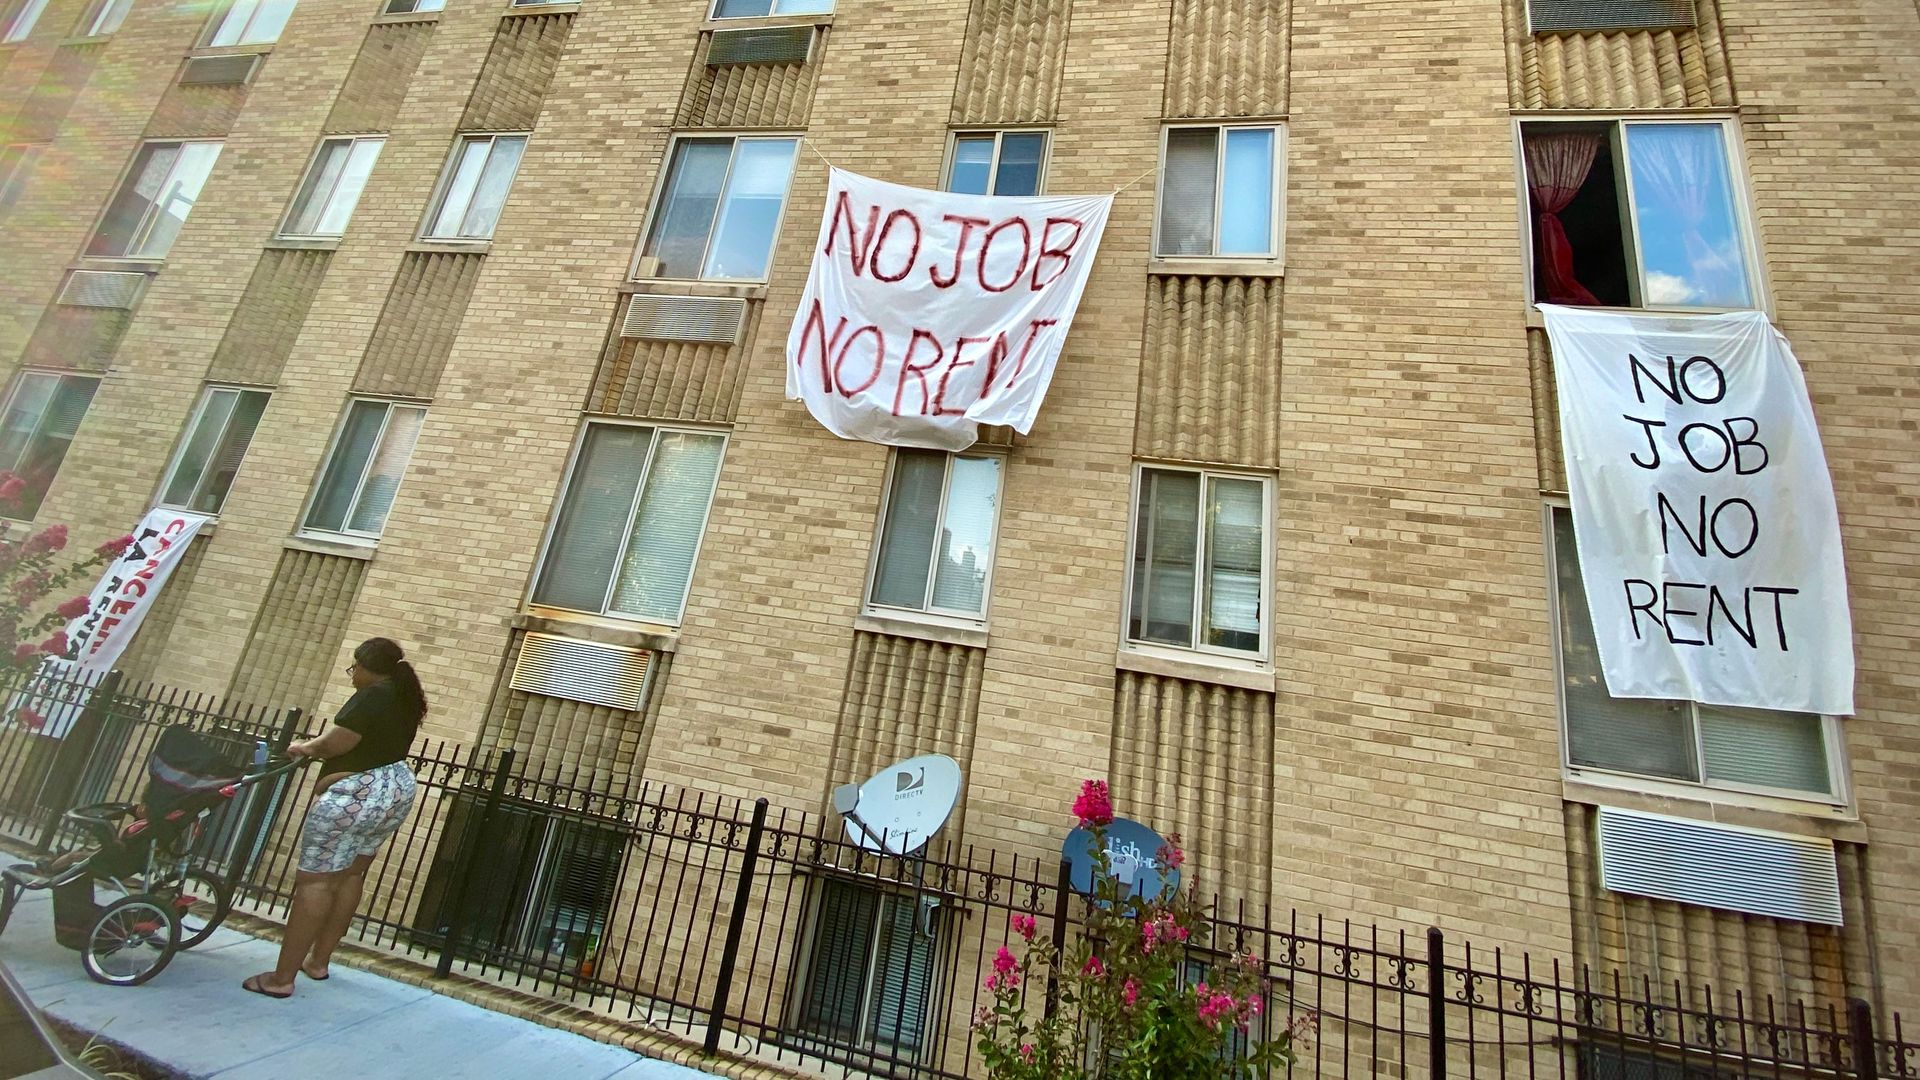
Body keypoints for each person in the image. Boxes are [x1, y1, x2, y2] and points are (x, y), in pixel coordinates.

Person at [243, 638, 425, 999]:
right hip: (394, 792)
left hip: (355, 797)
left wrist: (303, 747)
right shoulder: (405, 696)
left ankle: (281, 979)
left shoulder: (373, 694)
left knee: (316, 882)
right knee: (352, 873)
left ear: (369, 667)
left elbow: (335, 744)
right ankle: (318, 961)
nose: (353, 674)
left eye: (354, 666)